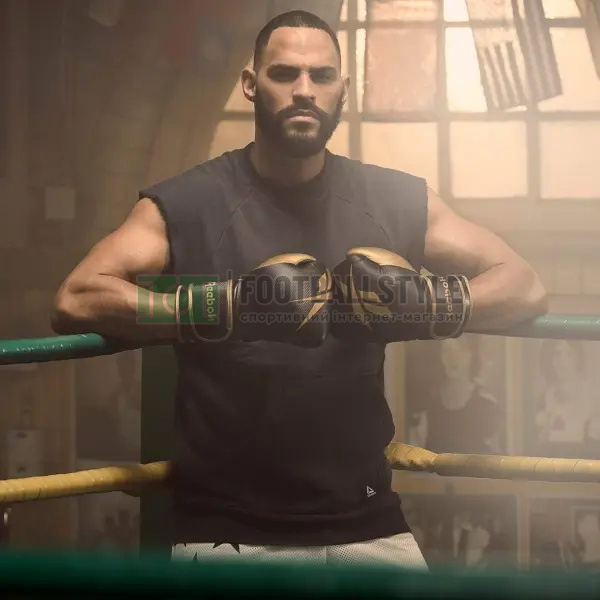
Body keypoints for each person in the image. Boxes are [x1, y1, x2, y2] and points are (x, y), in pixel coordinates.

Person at [50, 10, 547, 568]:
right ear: (250, 84)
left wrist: (431, 304)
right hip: (227, 531)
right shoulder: (192, 201)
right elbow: (76, 297)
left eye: (321, 75)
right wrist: (227, 307)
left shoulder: (392, 200)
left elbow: (524, 285)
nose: (304, 90)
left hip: (368, 520)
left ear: (343, 90)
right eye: (284, 73)